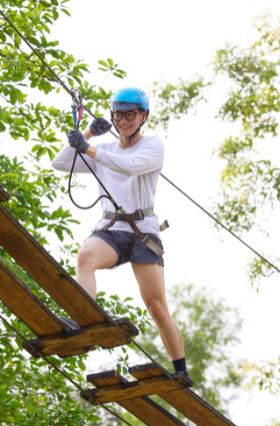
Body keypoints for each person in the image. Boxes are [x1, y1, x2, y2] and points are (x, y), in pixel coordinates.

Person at [52, 86, 190, 382]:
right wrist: (87, 134)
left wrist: (89, 148)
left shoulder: (152, 147)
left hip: (142, 233)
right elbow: (61, 163)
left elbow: (128, 167)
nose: (124, 120)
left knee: (156, 305)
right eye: (118, 114)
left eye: (130, 114)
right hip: (112, 229)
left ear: (143, 116)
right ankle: (84, 322)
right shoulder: (106, 149)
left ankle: (181, 370)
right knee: (86, 256)